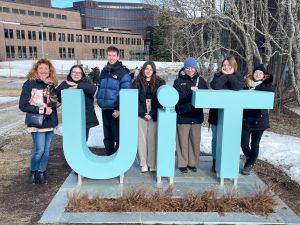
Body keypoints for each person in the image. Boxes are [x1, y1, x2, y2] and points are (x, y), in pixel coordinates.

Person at [19, 59, 58, 184]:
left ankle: (42, 172)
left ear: (49, 71)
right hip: (36, 122)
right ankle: (33, 171)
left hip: (49, 122)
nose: (43, 71)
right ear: (36, 69)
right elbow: (23, 105)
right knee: (39, 150)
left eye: (46, 69)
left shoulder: (51, 84)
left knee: (46, 151)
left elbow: (53, 104)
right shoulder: (29, 84)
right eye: (40, 68)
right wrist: (42, 110)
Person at [208, 56, 244, 172]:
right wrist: (224, 76)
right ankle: (215, 161)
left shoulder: (239, 77)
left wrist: (229, 76)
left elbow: (237, 87)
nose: (226, 67)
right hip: (216, 115)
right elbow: (216, 86)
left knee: (229, 139)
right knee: (215, 139)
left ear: (234, 66)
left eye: (229, 65)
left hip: (232, 116)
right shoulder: (218, 76)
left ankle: (226, 161)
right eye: (224, 65)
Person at [173, 57, 208, 173]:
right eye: (187, 67)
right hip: (183, 115)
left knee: (195, 141)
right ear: (184, 68)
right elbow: (177, 98)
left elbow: (206, 96)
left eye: (192, 67)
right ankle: (182, 163)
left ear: (195, 68)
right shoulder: (178, 81)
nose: (190, 70)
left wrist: (200, 92)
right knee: (182, 141)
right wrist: (190, 91)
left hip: (196, 116)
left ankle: (192, 163)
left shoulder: (201, 80)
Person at [96, 46, 132, 156]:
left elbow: (126, 93)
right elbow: (100, 86)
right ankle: (109, 157)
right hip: (105, 108)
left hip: (115, 111)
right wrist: (99, 98)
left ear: (118, 56)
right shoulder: (104, 71)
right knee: (108, 137)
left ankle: (118, 159)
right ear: (107, 56)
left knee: (118, 136)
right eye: (109, 55)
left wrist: (119, 109)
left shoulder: (123, 73)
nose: (111, 57)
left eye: (114, 55)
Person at [241, 64, 274, 175]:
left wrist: (256, 88)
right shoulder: (246, 83)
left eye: (260, 73)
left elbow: (271, 89)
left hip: (260, 120)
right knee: (244, 144)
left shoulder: (267, 84)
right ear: (253, 73)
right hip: (246, 119)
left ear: (263, 75)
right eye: (256, 72)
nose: (258, 74)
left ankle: (249, 165)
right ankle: (251, 159)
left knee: (255, 144)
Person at [132, 61, 165, 172]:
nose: (148, 71)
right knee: (142, 139)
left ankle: (152, 163)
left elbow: (161, 100)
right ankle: (143, 163)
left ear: (153, 70)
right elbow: (134, 100)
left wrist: (152, 113)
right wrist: (142, 113)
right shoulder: (136, 82)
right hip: (140, 110)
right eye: (146, 68)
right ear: (143, 69)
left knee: (152, 138)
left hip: (154, 110)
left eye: (150, 69)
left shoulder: (160, 82)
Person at [56, 65, 99, 141]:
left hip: (85, 118)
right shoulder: (65, 84)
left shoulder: (86, 83)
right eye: (74, 72)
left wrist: (78, 86)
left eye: (79, 73)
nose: (76, 74)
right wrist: (64, 85)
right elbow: (56, 97)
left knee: (83, 140)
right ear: (70, 73)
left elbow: (93, 89)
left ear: (82, 75)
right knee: (72, 140)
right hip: (72, 119)